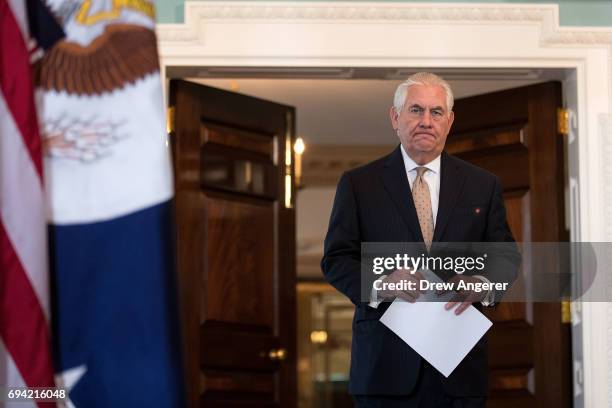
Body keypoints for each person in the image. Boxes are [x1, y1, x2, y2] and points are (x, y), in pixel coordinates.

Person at [321, 72, 519, 407]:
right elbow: (336, 259)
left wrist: (482, 282)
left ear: (450, 121)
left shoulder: (483, 185)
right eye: (416, 110)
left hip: (458, 369)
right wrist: (381, 282)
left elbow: (506, 258)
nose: (426, 121)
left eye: (436, 112)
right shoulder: (359, 184)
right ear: (395, 117)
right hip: (384, 368)